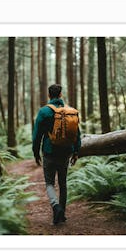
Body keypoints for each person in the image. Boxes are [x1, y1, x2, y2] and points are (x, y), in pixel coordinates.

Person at [32, 84, 81, 225]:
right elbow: (77, 134)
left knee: (49, 183)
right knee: (63, 183)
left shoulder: (44, 112)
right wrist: (76, 151)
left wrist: (36, 152)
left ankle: (56, 207)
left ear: (49, 95)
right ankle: (62, 214)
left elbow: (37, 136)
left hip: (49, 152)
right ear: (61, 95)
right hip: (66, 152)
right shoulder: (70, 112)